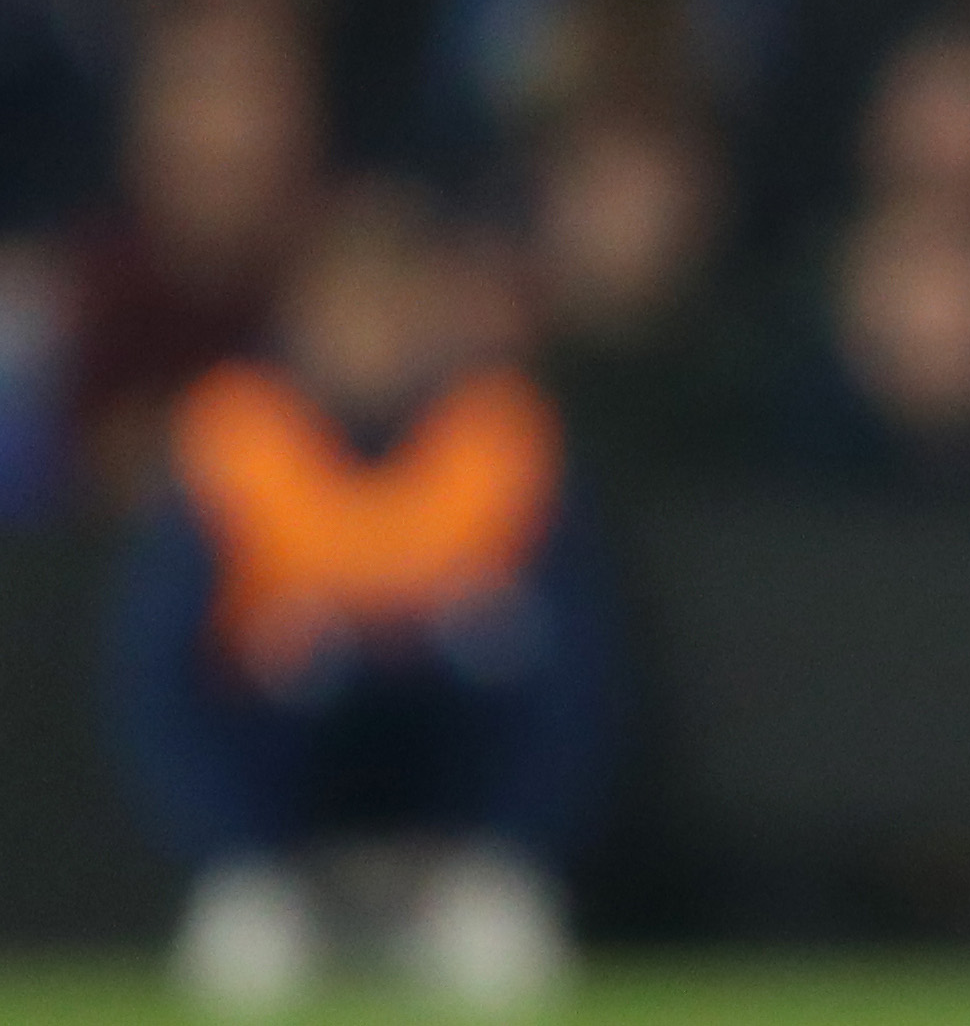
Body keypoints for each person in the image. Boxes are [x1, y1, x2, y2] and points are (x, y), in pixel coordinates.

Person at [107, 195, 616, 1018]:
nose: (371, 333)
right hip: (273, 855)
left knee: (505, 963)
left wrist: (518, 843)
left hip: (464, 861)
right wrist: (228, 848)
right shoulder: (237, 438)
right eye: (347, 305)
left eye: (393, 303)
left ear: (431, 312)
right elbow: (155, 677)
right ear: (301, 313)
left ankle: (487, 887)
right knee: (243, 966)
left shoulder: (499, 437)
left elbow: (577, 681)